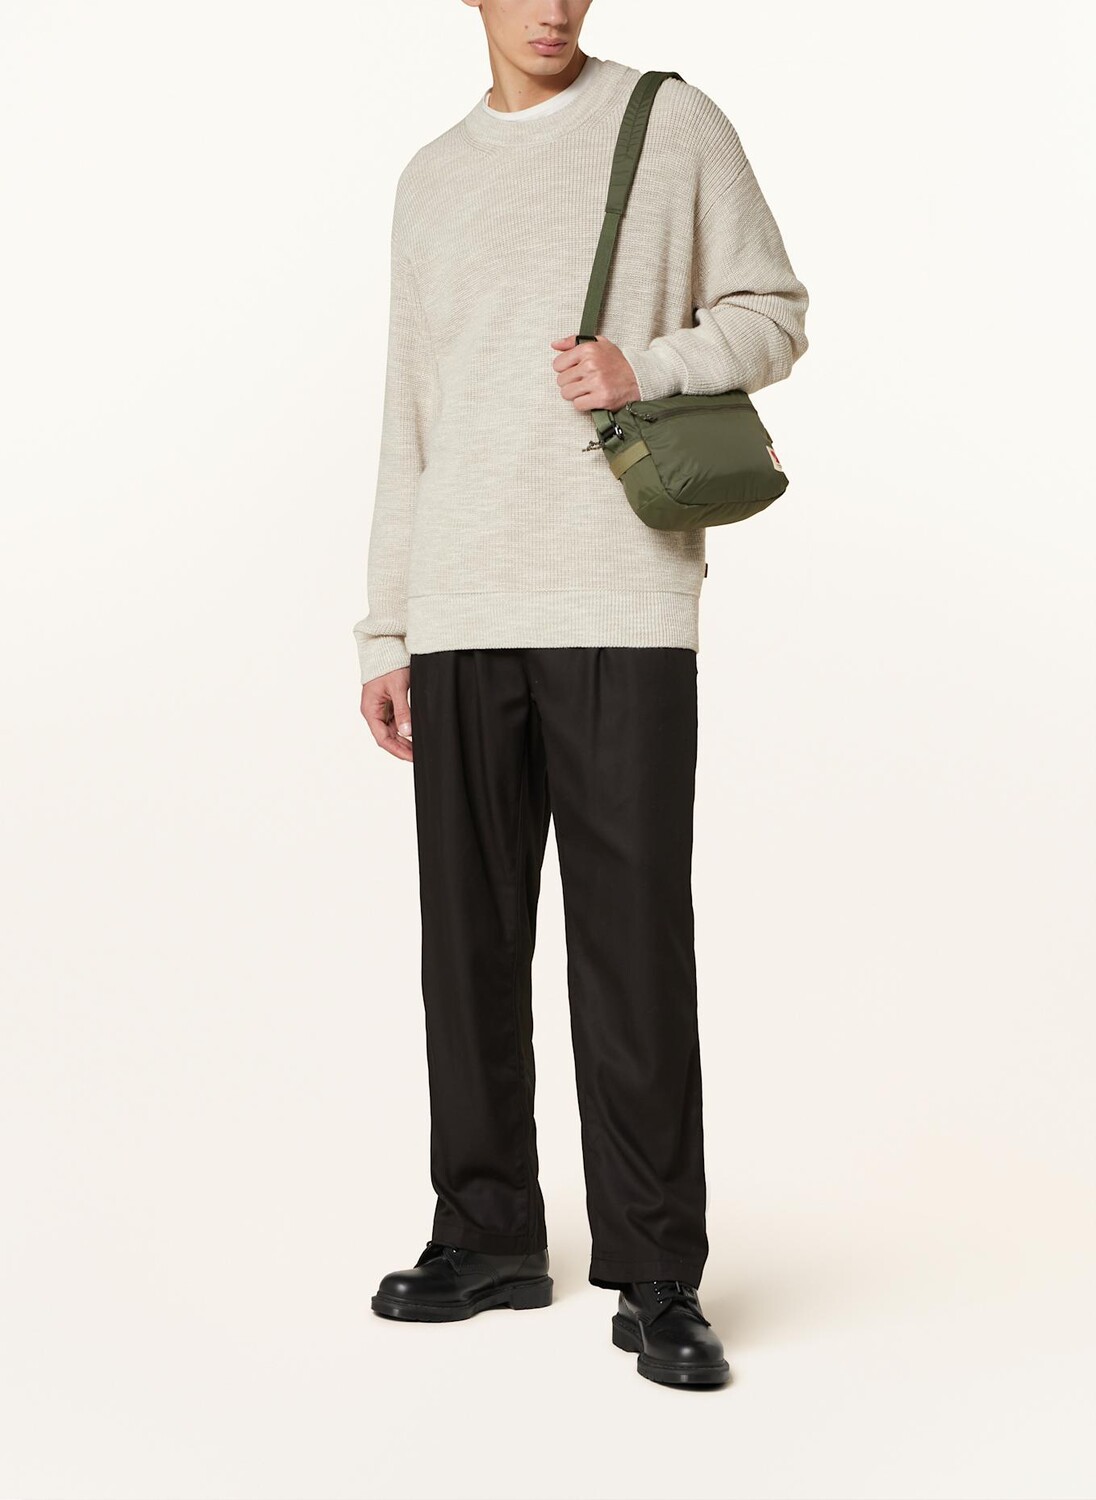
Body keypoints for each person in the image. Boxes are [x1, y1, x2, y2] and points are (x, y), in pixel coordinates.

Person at [352, 0, 808, 1389]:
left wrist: (643, 366)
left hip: (620, 599)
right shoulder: (432, 179)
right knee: (467, 946)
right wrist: (388, 627)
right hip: (462, 606)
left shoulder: (671, 124)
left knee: (632, 949)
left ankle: (658, 1272)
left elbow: (775, 313)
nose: (551, 8)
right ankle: (486, 1230)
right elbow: (409, 412)